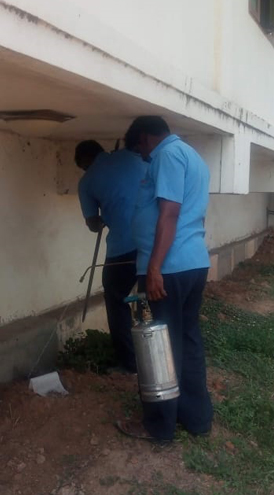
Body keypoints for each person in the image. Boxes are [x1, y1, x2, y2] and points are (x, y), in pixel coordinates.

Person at [116, 116, 213, 442]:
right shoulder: (192, 156)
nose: (144, 159)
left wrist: (154, 268)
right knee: (186, 341)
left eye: (141, 152)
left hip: (169, 269)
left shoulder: (167, 155)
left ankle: (159, 426)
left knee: (160, 347)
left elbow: (169, 213)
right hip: (192, 262)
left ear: (144, 139)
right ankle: (196, 418)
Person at [75, 140, 147, 373]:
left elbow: (93, 225)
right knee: (156, 296)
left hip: (123, 248)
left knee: (116, 298)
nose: (85, 171)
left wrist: (102, 217)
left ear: (85, 161)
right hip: (156, 242)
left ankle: (129, 364)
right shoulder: (132, 157)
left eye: (82, 167)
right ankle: (165, 355)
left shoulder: (86, 182)